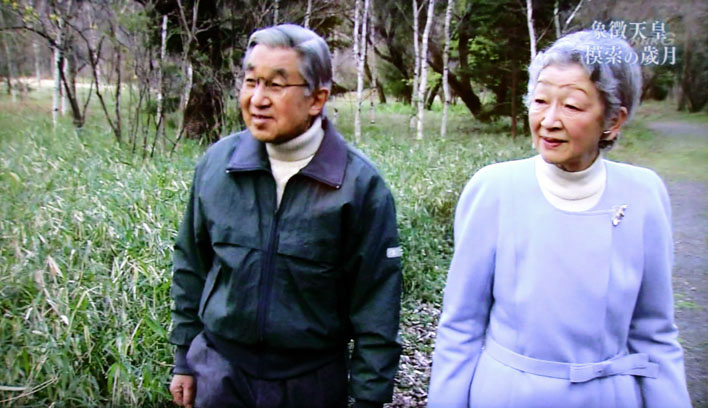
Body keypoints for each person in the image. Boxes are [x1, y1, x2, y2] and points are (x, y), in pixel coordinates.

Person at [427, 30, 691, 408]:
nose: (549, 120)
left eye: (572, 106)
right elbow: (460, 327)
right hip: (507, 396)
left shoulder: (643, 194)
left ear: (613, 120)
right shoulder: (494, 188)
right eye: (540, 101)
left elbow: (655, 334)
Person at [168, 24, 402, 408]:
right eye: (251, 82)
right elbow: (191, 265)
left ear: (317, 98)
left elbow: (377, 302)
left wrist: (368, 397)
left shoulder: (359, 185)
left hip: (311, 381)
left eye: (276, 85)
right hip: (219, 371)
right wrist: (184, 359)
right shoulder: (217, 166)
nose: (257, 99)